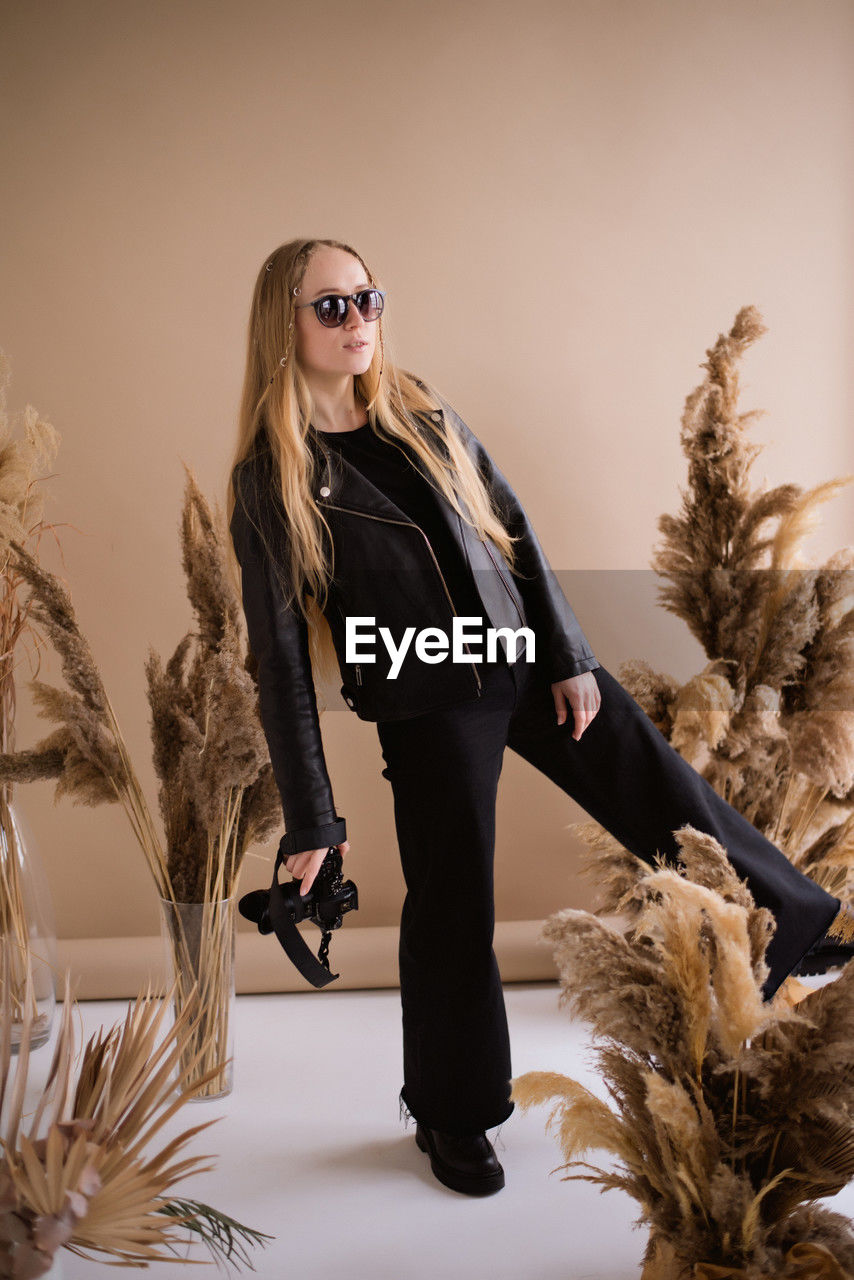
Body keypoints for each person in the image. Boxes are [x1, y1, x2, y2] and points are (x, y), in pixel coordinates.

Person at [227, 237, 846, 1198]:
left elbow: (515, 534)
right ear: (285, 327)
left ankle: (792, 920)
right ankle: (452, 1110)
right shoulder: (272, 481)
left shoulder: (425, 419)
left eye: (369, 298)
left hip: (519, 663)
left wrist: (569, 656)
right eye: (333, 307)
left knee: (658, 785)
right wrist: (313, 818)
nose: (361, 322)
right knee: (453, 897)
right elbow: (279, 665)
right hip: (426, 696)